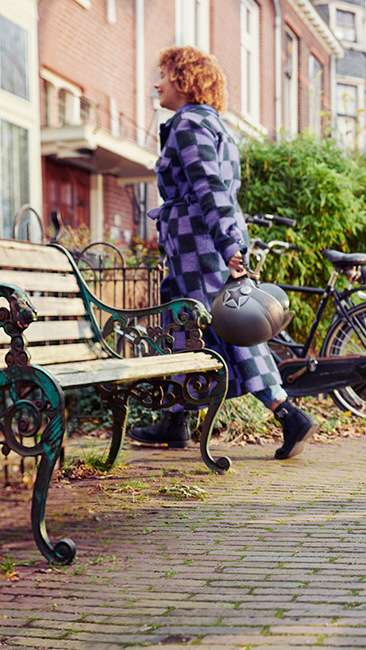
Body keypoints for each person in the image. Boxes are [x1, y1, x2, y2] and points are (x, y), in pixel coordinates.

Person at [128, 46, 317, 460]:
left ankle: (286, 413)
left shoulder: (189, 123)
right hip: (194, 243)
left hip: (199, 245)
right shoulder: (212, 124)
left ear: (184, 79)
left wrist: (229, 246)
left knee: (233, 326)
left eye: (162, 74)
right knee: (182, 325)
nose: (156, 83)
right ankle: (176, 421)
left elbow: (210, 187)